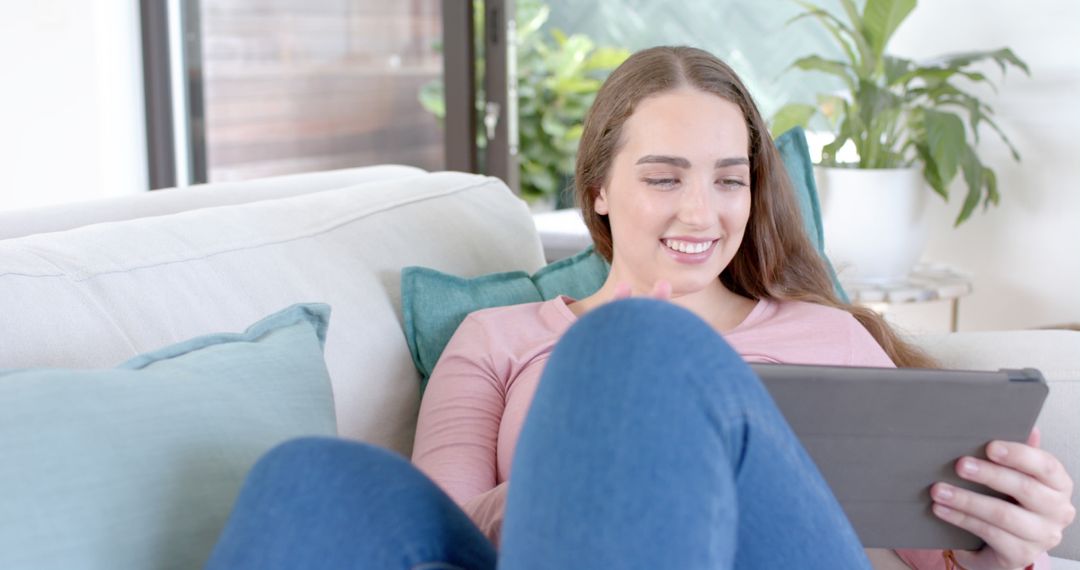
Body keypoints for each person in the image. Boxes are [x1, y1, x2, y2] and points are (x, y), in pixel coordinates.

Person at [205, 46, 1074, 570]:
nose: (702, 213)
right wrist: (599, 464)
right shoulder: (498, 338)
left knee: (641, 348)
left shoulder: (831, 334)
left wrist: (1007, 542)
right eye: (663, 178)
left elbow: (937, 554)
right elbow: (450, 523)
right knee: (310, 477)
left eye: (730, 180)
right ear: (600, 193)